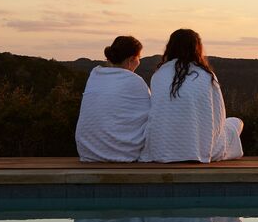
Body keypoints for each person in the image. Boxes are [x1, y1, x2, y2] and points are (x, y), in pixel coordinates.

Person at [142, 29, 244, 163]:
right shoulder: (207, 75)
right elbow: (219, 118)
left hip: (161, 149)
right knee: (236, 122)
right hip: (199, 150)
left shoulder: (159, 75)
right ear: (197, 48)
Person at [74, 35, 150, 163]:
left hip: (88, 152)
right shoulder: (135, 81)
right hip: (122, 154)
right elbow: (153, 114)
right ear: (131, 59)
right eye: (139, 58)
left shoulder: (95, 75)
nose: (139, 61)